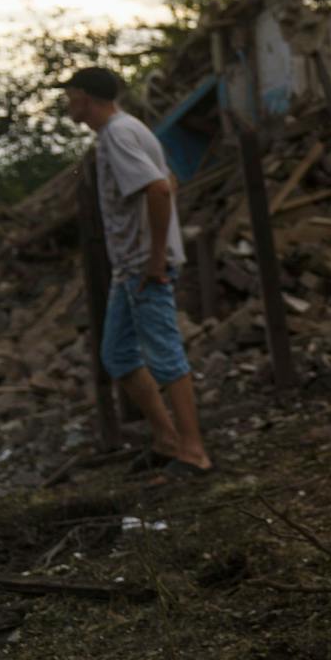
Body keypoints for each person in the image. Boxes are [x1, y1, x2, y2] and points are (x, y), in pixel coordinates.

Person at [59, 66, 213, 479]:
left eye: (70, 96)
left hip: (146, 267)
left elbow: (159, 189)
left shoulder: (118, 135)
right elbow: (169, 180)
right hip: (130, 267)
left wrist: (156, 258)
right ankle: (167, 441)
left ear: (85, 98)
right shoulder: (126, 131)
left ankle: (194, 453)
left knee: (165, 356)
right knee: (118, 355)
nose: (67, 103)